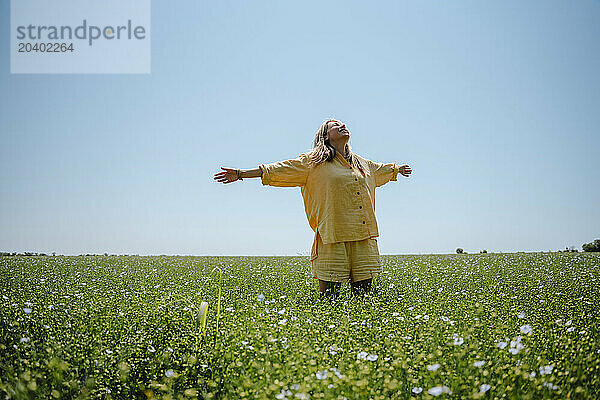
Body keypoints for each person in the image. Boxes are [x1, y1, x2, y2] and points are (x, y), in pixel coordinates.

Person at [213, 119, 412, 297]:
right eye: (335, 125)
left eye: (343, 123)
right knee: (330, 300)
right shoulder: (313, 162)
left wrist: (397, 170)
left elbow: (381, 169)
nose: (343, 126)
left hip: (363, 235)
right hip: (332, 236)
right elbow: (279, 169)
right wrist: (240, 174)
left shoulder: (361, 163)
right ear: (326, 136)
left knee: (364, 297)